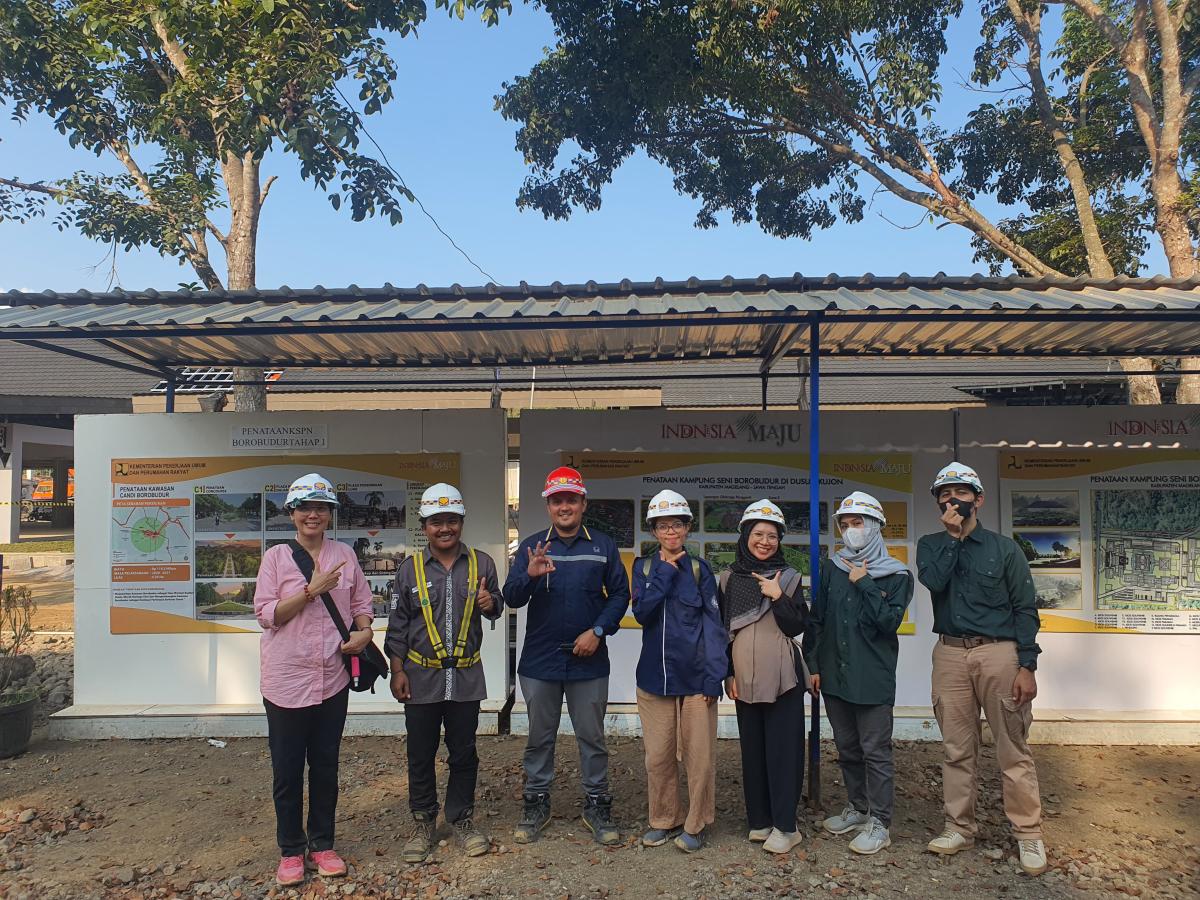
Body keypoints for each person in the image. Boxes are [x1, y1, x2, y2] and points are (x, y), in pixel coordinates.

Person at [916, 462, 1047, 876]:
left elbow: (1025, 608)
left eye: (961, 493)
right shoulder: (930, 544)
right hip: (950, 653)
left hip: (999, 653)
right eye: (945, 494)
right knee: (956, 748)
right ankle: (959, 827)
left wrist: (1027, 665)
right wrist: (953, 538)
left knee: (1013, 747)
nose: (953, 500)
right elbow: (934, 582)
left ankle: (1028, 834)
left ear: (979, 499)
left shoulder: (1004, 549)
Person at [253, 473, 375, 887]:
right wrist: (310, 591)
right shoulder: (276, 558)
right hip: (286, 681)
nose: (313, 514)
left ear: (330, 514)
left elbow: (360, 603)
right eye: (305, 507)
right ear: (292, 513)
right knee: (287, 770)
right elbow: (267, 615)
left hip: (332, 679)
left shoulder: (345, 554)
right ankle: (291, 849)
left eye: (321, 508)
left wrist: (365, 631)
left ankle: (322, 844)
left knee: (325, 766)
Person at [502, 465, 630, 845]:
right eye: (557, 500)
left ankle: (597, 804)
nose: (564, 507)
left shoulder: (603, 546)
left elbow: (620, 595)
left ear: (583, 503)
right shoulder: (532, 546)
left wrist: (598, 631)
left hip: (589, 661)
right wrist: (529, 575)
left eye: (571, 499)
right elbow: (511, 598)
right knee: (539, 737)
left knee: (592, 737)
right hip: (540, 662)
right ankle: (536, 802)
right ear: (548, 506)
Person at [385, 483, 502, 863]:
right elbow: (398, 624)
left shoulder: (482, 564)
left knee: (464, 752)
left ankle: (461, 818)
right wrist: (397, 669)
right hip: (420, 677)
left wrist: (490, 603)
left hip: (466, 678)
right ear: (425, 526)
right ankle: (423, 821)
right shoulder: (409, 570)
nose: (445, 528)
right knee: (420, 753)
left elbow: (497, 605)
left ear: (461, 522)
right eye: (437, 522)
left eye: (452, 520)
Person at [803, 491, 913, 855]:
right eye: (846, 524)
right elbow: (817, 620)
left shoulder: (896, 574)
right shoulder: (832, 568)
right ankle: (858, 807)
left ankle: (880, 822)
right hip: (834, 675)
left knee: (875, 751)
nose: (852, 530)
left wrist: (865, 582)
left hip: (872, 675)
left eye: (859, 523)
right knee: (847, 747)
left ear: (876, 526)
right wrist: (813, 664)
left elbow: (888, 622)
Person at [631, 490, 727, 853]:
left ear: (687, 528)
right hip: (654, 680)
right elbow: (642, 613)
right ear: (654, 531)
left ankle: (696, 823)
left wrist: (714, 677)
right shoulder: (643, 568)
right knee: (658, 757)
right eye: (663, 525)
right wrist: (665, 574)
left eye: (677, 524)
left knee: (699, 759)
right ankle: (664, 819)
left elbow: (714, 627)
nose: (671, 531)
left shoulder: (701, 570)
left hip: (696, 680)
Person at [719, 499, 809, 855]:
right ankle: (759, 820)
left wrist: (778, 596)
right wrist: (728, 673)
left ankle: (786, 827)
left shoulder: (789, 576)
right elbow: (723, 630)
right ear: (745, 535)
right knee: (753, 750)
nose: (765, 542)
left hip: (783, 677)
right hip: (744, 677)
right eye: (758, 534)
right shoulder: (728, 577)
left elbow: (797, 625)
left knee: (783, 752)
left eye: (772, 536)